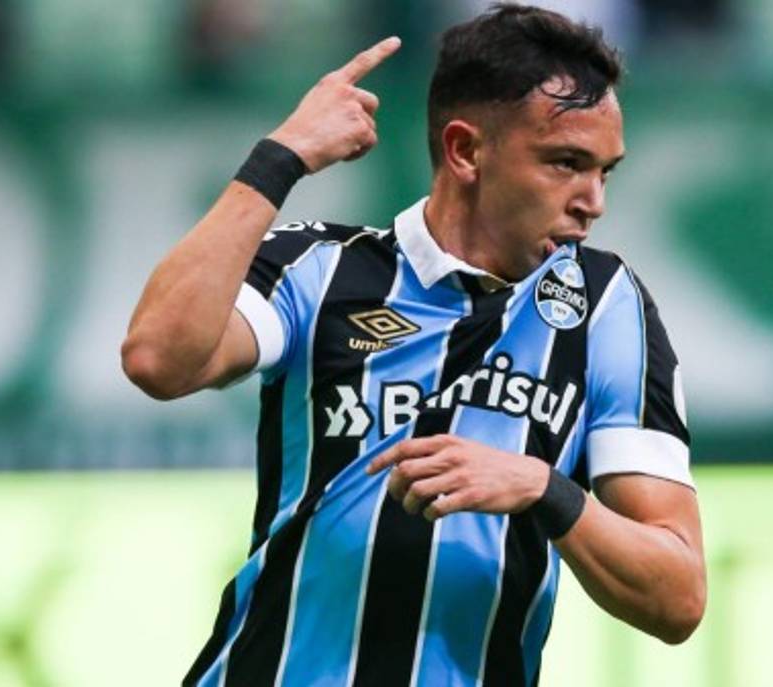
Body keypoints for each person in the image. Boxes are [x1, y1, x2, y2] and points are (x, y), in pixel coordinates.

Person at [121, 4, 705, 685]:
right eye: (566, 163)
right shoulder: (318, 268)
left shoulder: (606, 306)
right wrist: (279, 159)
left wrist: (544, 488)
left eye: (605, 171)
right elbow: (158, 359)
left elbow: (678, 596)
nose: (592, 200)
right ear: (465, 151)